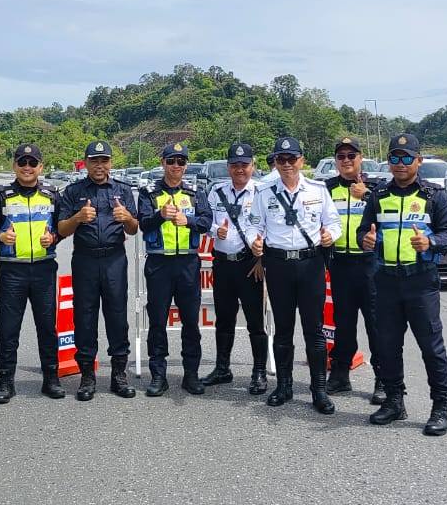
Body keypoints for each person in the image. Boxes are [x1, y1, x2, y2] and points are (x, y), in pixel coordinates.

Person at [356, 133, 447, 436]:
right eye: (394, 158)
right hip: (386, 281)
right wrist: (367, 240)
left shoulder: (433, 196)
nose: (400, 164)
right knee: (387, 346)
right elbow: (364, 232)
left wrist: (430, 241)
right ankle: (394, 402)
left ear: (418, 161)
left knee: (431, 347)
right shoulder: (378, 196)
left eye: (406, 158)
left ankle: (441, 408)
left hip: (420, 281)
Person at [245, 136, 339, 415]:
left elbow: (334, 222)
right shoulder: (264, 193)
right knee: (283, 329)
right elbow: (253, 225)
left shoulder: (318, 190)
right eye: (280, 160)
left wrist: (329, 235)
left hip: (310, 264)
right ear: (274, 162)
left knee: (314, 330)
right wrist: (254, 241)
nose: (286, 165)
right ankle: (284, 385)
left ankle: (319, 389)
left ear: (301, 160)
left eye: (291, 159)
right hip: (278, 265)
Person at [0, 144, 64, 404]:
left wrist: (55, 237)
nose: (27, 167)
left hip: (43, 268)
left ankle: (51, 378)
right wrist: (1, 236)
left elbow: (63, 226)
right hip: (12, 269)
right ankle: (6, 381)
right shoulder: (1, 194)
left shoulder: (51, 194)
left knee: (47, 326)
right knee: (8, 328)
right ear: (14, 165)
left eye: (32, 163)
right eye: (22, 162)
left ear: (41, 167)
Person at [56, 140, 139, 401]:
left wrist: (127, 218)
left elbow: (134, 228)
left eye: (104, 160)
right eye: (94, 161)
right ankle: (87, 377)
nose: (100, 166)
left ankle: (118, 375)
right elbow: (61, 230)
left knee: (117, 316)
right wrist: (77, 218)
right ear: (86, 163)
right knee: (85, 317)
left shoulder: (123, 191)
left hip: (114, 259)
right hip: (85, 261)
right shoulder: (73, 191)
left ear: (111, 163)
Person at [137, 142, 213, 396]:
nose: (176, 166)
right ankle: (158, 375)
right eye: (171, 161)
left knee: (191, 322)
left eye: (181, 161)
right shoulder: (149, 192)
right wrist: (160, 215)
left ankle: (191, 374)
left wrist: (187, 220)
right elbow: (143, 224)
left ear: (186, 165)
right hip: (159, 264)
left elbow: (206, 222)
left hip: (188, 264)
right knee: (157, 321)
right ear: (163, 163)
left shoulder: (194, 192)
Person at [200, 141, 269, 395]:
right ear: (228, 167)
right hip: (222, 264)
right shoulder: (216, 191)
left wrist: (262, 260)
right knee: (224, 320)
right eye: (235, 165)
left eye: (244, 164)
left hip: (250, 265)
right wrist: (213, 229)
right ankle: (222, 368)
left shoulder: (262, 192)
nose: (240, 169)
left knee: (254, 322)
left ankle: (259, 372)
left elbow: (269, 228)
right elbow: (205, 218)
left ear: (253, 166)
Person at [323, 137, 385, 404]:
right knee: (344, 321)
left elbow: (391, 215)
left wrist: (368, 196)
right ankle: (339, 374)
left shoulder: (377, 188)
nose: (346, 161)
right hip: (340, 263)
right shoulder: (327, 188)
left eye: (351, 155)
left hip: (370, 264)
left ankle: (384, 379)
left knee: (376, 323)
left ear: (361, 158)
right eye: (341, 157)